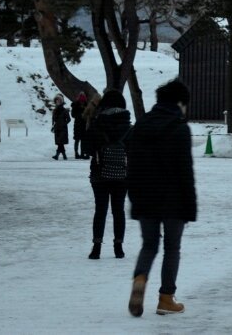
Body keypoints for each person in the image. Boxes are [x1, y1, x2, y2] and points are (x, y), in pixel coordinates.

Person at [126, 79, 196, 317]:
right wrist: (190, 206)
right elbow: (185, 171)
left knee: (149, 245)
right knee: (172, 248)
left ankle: (140, 277)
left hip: (145, 196)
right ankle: (166, 298)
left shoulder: (141, 126)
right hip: (174, 199)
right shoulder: (179, 128)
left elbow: (132, 164)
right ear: (179, 102)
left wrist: (134, 197)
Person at [85, 90, 131, 260]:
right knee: (118, 210)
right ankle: (118, 247)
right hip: (123, 174)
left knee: (100, 210)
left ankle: (96, 247)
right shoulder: (128, 125)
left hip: (99, 173)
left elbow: (87, 148)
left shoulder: (98, 122)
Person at [51, 95, 71, 161]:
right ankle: (64, 156)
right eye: (56, 100)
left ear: (61, 101)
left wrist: (64, 124)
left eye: (59, 100)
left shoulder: (64, 110)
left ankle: (57, 155)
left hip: (63, 129)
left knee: (60, 142)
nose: (57, 102)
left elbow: (69, 119)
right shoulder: (55, 110)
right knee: (60, 143)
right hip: (57, 128)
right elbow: (53, 120)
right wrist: (53, 126)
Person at [71, 92, 89, 159]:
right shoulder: (75, 105)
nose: (82, 103)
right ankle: (76, 153)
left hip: (83, 125)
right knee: (77, 140)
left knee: (82, 140)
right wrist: (80, 116)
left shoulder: (86, 105)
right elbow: (73, 115)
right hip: (78, 125)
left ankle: (82, 153)